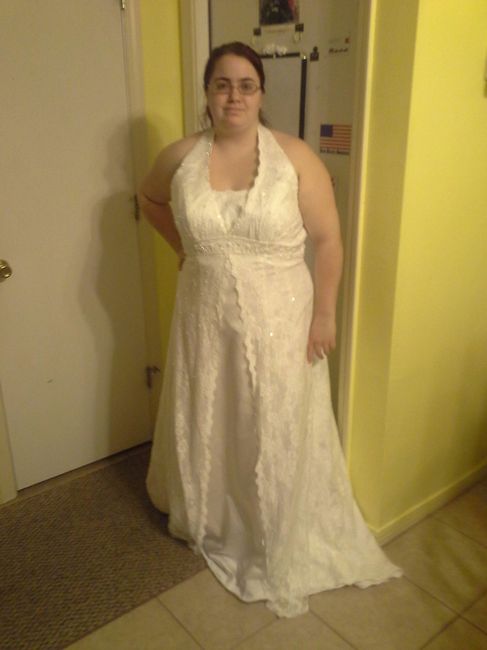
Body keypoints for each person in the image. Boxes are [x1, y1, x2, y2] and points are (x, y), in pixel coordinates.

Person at [139, 41, 402, 618]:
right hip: (204, 321)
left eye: (246, 85)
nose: (233, 96)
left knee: (272, 417)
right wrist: (186, 248)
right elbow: (150, 199)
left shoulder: (295, 156)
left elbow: (328, 241)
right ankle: (214, 514)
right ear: (207, 93)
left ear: (261, 93)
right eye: (222, 84)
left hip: (284, 319)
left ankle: (274, 523)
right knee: (214, 411)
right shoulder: (179, 156)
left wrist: (326, 314)